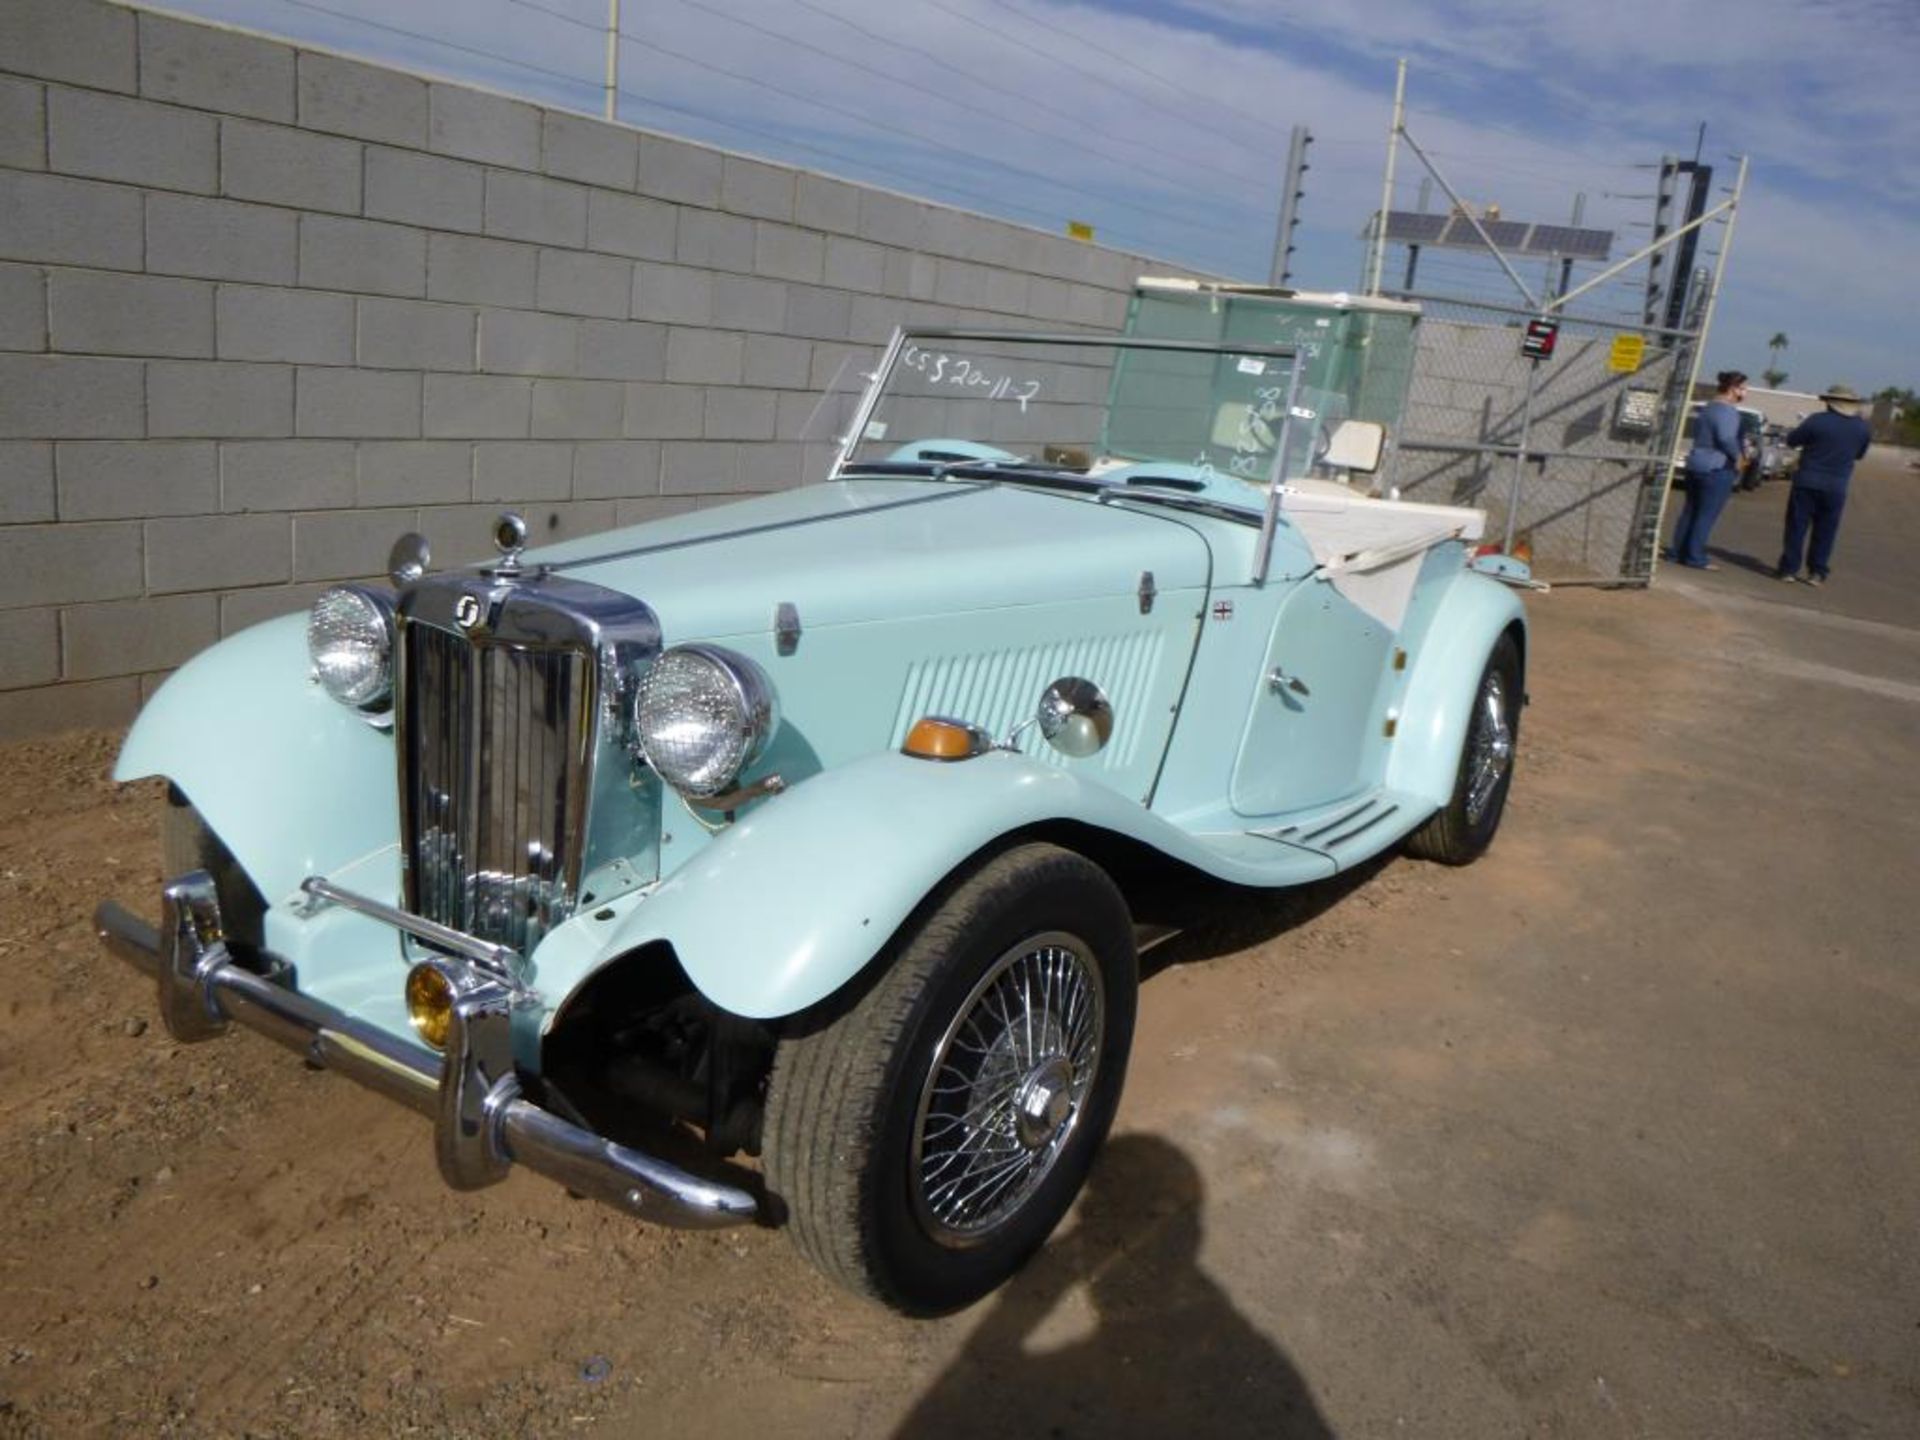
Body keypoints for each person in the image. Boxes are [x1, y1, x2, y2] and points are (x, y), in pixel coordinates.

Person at [1775, 384, 1872, 586]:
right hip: (1836, 486)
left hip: (1807, 481)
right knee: (1826, 531)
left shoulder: (1817, 421)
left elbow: (1792, 440)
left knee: (1797, 527)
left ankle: (1789, 569)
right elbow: (1859, 455)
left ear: (1831, 403)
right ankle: (1817, 572)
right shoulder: (1862, 427)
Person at [1666, 370, 1750, 570]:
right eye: (1744, 388)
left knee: (1690, 511)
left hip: (1697, 463)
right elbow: (1726, 437)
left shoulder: (1708, 408)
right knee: (1706, 514)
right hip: (1717, 467)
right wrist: (1738, 457)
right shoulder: (1728, 411)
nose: (1746, 393)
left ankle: (1677, 551)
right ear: (1733, 389)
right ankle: (1695, 557)